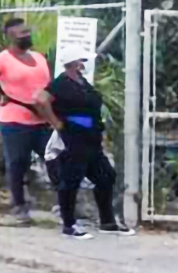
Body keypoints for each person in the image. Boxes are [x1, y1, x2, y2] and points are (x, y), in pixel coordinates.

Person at [35, 47, 135, 238]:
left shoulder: (82, 83)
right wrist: (56, 122)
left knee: (105, 175)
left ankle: (107, 222)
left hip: (91, 136)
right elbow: (40, 100)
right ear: (72, 62)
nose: (84, 64)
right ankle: (69, 225)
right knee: (71, 179)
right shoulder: (61, 83)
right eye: (81, 60)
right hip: (74, 136)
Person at [0, 18, 55, 224]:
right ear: (10, 37)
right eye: (21, 33)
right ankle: (18, 205)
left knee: (56, 159)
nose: (26, 35)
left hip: (42, 120)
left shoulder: (39, 57)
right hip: (14, 121)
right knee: (17, 163)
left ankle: (63, 202)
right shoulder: (2, 59)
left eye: (27, 31)